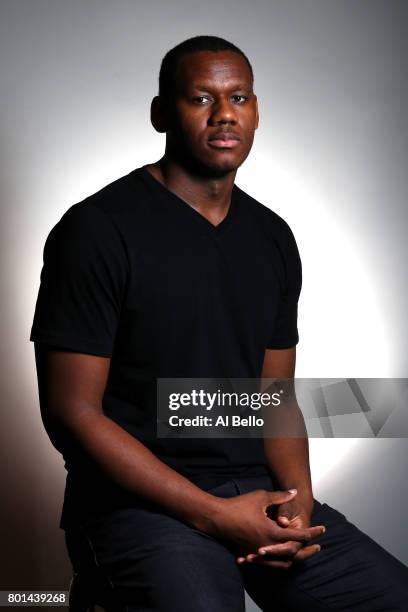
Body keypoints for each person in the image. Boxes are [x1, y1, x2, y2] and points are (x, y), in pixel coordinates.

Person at [30, 35, 408, 611]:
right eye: (201, 98)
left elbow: (274, 396)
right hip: (137, 507)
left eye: (240, 97)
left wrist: (298, 504)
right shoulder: (96, 231)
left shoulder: (273, 237)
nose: (225, 113)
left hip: (255, 494)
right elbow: (71, 413)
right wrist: (212, 516)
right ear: (162, 114)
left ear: (256, 112)